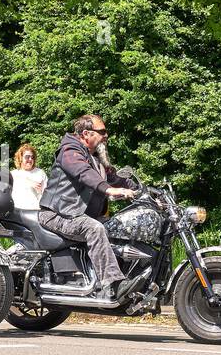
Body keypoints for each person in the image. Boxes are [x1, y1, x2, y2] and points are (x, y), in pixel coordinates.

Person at [37, 114, 138, 301]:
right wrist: (110, 191)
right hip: (58, 214)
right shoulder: (69, 151)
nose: (106, 135)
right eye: (102, 132)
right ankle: (113, 284)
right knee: (94, 228)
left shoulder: (96, 157)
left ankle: (129, 278)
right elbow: (84, 174)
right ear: (86, 134)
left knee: (122, 227)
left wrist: (143, 190)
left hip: (77, 215)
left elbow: (117, 179)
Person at [10, 143, 47, 210]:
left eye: (32, 157)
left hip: (35, 213)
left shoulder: (40, 173)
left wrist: (39, 191)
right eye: (27, 157)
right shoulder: (13, 174)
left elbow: (47, 197)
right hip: (16, 213)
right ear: (20, 158)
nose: (30, 159)